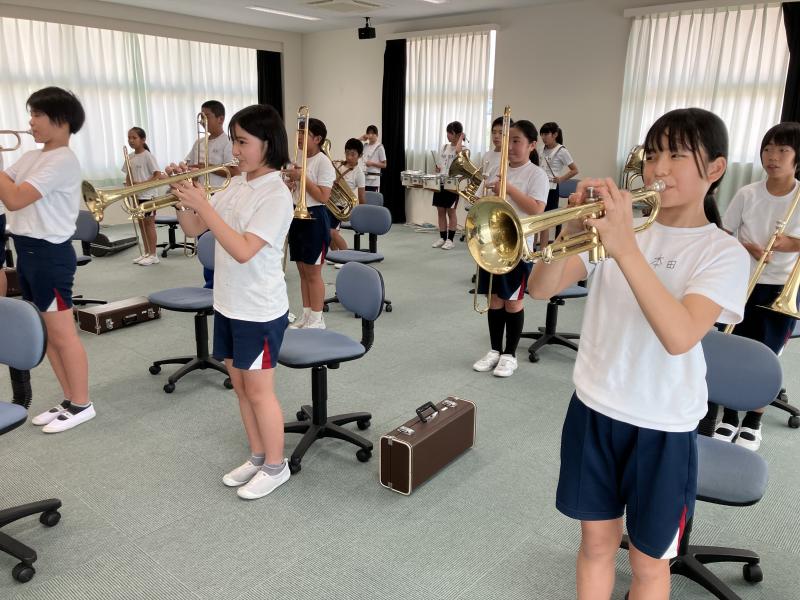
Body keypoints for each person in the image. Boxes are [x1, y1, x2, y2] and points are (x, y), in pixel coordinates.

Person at [529, 108, 749, 600]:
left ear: (715, 169)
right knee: (595, 544)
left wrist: (624, 246)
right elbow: (541, 289)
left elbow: (679, 335)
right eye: (652, 155)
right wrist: (569, 231)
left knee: (649, 562)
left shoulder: (723, 253)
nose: (658, 169)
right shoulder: (617, 231)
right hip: (594, 408)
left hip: (663, 425)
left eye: (676, 156)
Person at [170, 104, 293, 499]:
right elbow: (195, 227)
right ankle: (258, 456)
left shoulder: (276, 194)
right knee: (240, 387)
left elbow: (242, 250)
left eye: (242, 142)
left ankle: (276, 466)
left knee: (259, 391)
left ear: (268, 144)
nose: (234, 150)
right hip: (228, 302)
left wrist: (205, 204)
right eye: (235, 141)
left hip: (259, 308)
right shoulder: (236, 184)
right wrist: (182, 198)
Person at [0, 86, 96, 433]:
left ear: (62, 120)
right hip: (26, 251)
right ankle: (69, 398)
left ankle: (83, 403)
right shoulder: (32, 156)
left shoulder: (62, 159)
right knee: (49, 333)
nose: (31, 122)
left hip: (49, 255)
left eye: (38, 114)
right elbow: (7, 183)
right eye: (31, 114)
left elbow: (14, 198)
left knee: (63, 333)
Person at [716, 122, 800, 451]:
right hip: (743, 282)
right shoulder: (748, 193)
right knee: (735, 349)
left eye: (782, 150)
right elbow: (723, 233)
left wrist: (790, 244)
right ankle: (729, 415)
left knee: (766, 355)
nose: (772, 156)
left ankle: (754, 420)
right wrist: (746, 248)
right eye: (767, 149)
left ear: (796, 157)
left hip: (781, 288)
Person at [472, 120, 548, 378]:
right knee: (494, 300)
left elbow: (536, 209)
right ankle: (495, 350)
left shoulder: (536, 175)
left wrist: (508, 188)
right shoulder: (496, 168)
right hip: (492, 245)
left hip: (518, 248)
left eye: (517, 141)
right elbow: (481, 201)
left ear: (531, 145)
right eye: (509, 141)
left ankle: (510, 354)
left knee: (513, 302)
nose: (511, 146)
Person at [285, 117, 334, 330]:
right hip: (296, 216)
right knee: (302, 270)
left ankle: (317, 318)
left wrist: (302, 177)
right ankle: (306, 315)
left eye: (304, 134)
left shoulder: (323, 162)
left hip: (315, 218)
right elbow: (295, 189)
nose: (299, 138)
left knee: (313, 273)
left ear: (317, 138)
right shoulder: (298, 158)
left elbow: (323, 196)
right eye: (298, 133)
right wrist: (290, 183)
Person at [124, 127, 162, 266]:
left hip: (148, 195)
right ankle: (146, 252)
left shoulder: (148, 156)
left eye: (134, 138)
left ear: (143, 139)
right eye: (129, 138)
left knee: (149, 224)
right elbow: (128, 175)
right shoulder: (130, 157)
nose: (131, 140)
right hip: (137, 196)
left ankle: (153, 255)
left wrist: (141, 184)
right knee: (141, 224)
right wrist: (128, 189)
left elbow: (157, 175)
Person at [539, 122, 579, 248]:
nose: (543, 137)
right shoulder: (541, 149)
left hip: (551, 189)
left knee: (544, 222)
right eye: (542, 134)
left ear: (555, 134)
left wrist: (561, 179)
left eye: (546, 134)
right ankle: (534, 247)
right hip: (539, 187)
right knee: (536, 218)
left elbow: (575, 170)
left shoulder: (562, 151)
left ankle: (543, 251)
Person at [432, 121, 468, 250]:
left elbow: (458, 151)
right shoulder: (444, 147)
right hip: (441, 182)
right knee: (440, 211)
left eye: (450, 133)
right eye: (447, 132)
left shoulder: (464, 149)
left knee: (451, 212)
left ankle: (450, 240)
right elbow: (441, 164)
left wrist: (461, 138)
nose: (447, 135)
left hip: (453, 185)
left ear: (458, 134)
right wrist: (438, 169)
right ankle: (442, 237)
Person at [360, 125, 386, 192]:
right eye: (369, 133)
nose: (370, 135)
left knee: (372, 197)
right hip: (363, 179)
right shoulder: (365, 146)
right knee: (363, 198)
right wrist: (360, 139)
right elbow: (354, 147)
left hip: (374, 181)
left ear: (376, 135)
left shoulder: (380, 147)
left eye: (372, 133)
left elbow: (384, 165)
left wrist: (372, 164)